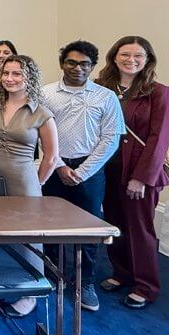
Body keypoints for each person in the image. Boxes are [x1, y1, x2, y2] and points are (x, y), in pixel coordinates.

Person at [40, 40, 124, 312]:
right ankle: (53, 275)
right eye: (72, 62)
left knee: (88, 229)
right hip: (55, 167)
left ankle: (84, 282)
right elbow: (39, 135)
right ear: (62, 63)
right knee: (50, 227)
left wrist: (83, 171)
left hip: (90, 171)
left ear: (92, 66)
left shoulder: (105, 96)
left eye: (84, 64)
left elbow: (111, 139)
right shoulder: (46, 93)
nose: (78, 68)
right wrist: (61, 166)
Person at [96, 36, 169, 309]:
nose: (131, 60)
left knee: (140, 229)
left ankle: (146, 284)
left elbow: (158, 138)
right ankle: (121, 272)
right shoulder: (102, 87)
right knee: (115, 223)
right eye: (125, 54)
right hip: (108, 168)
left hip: (138, 171)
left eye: (138, 56)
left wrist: (141, 177)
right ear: (114, 57)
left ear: (147, 59)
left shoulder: (157, 92)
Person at [0, 54, 59, 317]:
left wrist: (36, 185)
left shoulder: (41, 113)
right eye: (6, 74)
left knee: (28, 239)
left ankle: (29, 293)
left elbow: (51, 156)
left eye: (17, 74)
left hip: (24, 181)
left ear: (29, 78)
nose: (10, 79)